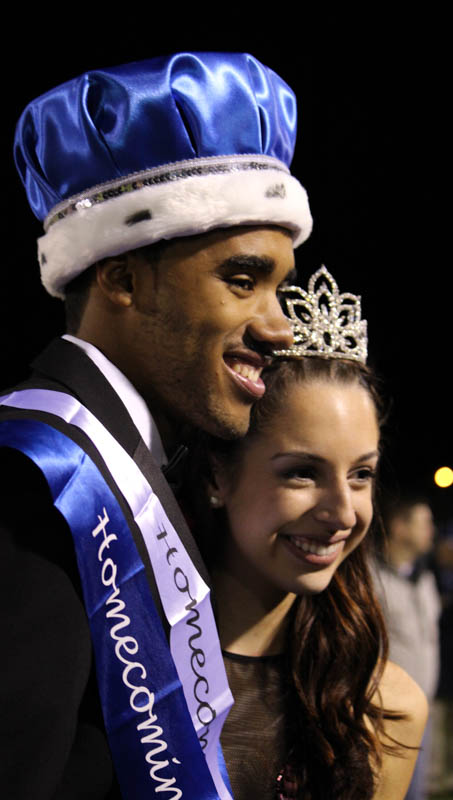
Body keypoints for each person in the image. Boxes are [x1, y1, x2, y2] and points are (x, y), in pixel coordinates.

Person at [0, 53, 312, 799]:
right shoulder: (22, 494)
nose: (280, 327)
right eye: (241, 279)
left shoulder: (132, 465)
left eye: (279, 287)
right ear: (121, 278)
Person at [181, 267, 428, 800]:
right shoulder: (124, 669)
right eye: (302, 471)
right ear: (216, 476)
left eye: (361, 474)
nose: (342, 512)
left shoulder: (384, 711)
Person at [373, 498, 441, 799]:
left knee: (417, 792)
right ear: (400, 528)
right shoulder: (370, 577)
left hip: (422, 709)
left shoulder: (424, 577)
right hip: (383, 717)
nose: (432, 530)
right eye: (424, 522)